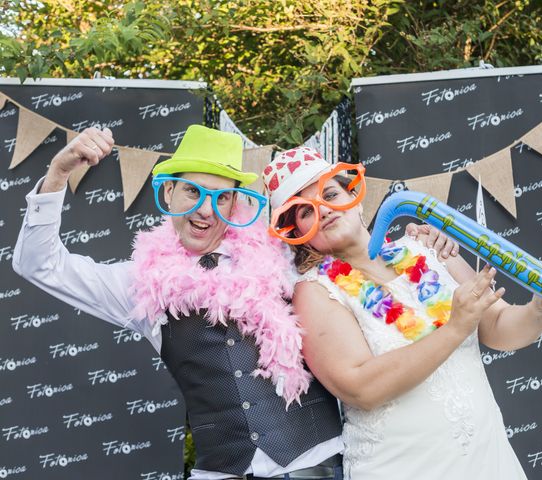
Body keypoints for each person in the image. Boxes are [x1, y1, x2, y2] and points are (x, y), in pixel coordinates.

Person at [12, 124, 455, 480]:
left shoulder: (281, 255)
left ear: (237, 202)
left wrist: (421, 245)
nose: (206, 210)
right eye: (192, 192)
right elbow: (39, 265)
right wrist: (58, 171)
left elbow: (355, 258)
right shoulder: (137, 283)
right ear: (168, 193)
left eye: (221, 196)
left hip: (320, 465)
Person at [261, 147, 542, 480]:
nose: (324, 210)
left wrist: (540, 308)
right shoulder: (315, 291)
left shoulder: (428, 248)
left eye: (330, 194)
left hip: (488, 459)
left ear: (354, 196)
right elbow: (360, 388)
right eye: (306, 211)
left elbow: (499, 326)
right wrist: (454, 328)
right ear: (297, 234)